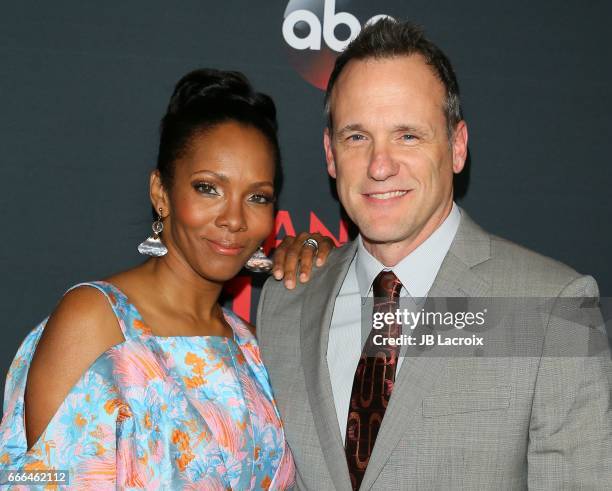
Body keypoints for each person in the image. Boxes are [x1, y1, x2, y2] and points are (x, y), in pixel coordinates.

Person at [257, 19, 612, 490]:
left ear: (457, 146)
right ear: (330, 153)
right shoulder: (284, 303)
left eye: (408, 135)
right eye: (357, 136)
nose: (380, 166)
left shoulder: (551, 310)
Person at [0, 68, 333, 489]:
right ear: (161, 194)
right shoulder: (96, 321)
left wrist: (332, 271)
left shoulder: (250, 346)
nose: (233, 218)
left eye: (257, 197)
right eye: (208, 188)